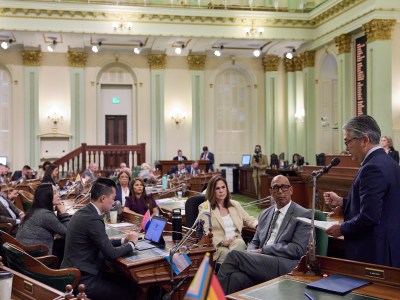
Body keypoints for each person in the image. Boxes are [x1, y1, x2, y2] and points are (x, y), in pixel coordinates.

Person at [324, 115, 400, 267]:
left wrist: (342, 228)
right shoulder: (389, 163)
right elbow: (381, 205)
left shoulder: (372, 167)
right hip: (388, 247)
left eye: (347, 141)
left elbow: (370, 216)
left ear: (364, 140)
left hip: (375, 253)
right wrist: (342, 201)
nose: (346, 147)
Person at [217, 175, 311, 295]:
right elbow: (255, 241)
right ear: (271, 192)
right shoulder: (265, 214)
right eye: (276, 188)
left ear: (291, 190)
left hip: (283, 263)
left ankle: (214, 297)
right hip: (261, 262)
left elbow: (297, 249)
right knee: (236, 277)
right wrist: (251, 252)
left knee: (234, 255)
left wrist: (264, 250)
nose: (280, 191)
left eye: (284, 187)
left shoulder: (303, 214)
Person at [61, 178, 139, 300]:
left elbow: (102, 242)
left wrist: (124, 240)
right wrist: (132, 244)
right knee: (130, 292)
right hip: (84, 280)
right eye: (113, 198)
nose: (114, 202)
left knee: (128, 282)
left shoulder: (83, 212)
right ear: (103, 198)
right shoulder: (93, 219)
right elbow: (111, 254)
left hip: (74, 274)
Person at [198, 175, 257, 264]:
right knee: (227, 254)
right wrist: (221, 242)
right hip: (218, 246)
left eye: (223, 187)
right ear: (212, 191)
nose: (221, 191)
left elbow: (248, 219)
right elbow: (204, 232)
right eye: (217, 188)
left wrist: (258, 225)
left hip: (235, 242)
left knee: (240, 243)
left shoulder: (235, 205)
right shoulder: (205, 207)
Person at [16, 184, 70, 258]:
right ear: (46, 196)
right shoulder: (45, 214)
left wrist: (60, 214)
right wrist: (64, 213)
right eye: (54, 192)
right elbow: (67, 232)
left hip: (28, 252)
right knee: (70, 242)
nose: (58, 195)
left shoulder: (36, 210)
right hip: (36, 256)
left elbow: (58, 227)